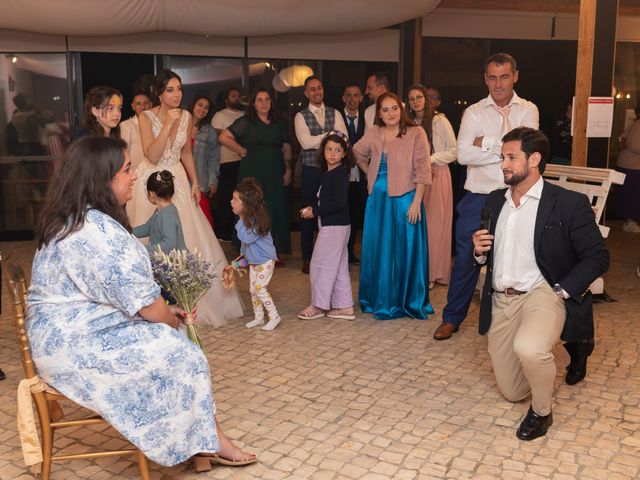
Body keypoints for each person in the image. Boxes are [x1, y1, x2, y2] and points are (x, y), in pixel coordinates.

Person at [27, 136, 256, 471]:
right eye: (126, 169)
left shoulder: (75, 218)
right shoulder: (98, 233)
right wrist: (172, 320)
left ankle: (201, 440)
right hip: (74, 347)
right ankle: (205, 443)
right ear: (100, 180)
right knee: (182, 351)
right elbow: (151, 310)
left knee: (171, 341)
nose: (133, 176)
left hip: (61, 337)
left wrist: (163, 315)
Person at [472, 127, 609, 440]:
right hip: (502, 299)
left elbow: (598, 257)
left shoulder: (567, 203)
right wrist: (478, 253)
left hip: (543, 292)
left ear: (534, 159)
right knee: (511, 391)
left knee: (529, 348)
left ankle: (542, 413)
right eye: (502, 157)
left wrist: (561, 291)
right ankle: (564, 350)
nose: (503, 164)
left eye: (510, 157)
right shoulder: (495, 202)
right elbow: (485, 256)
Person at [433, 53, 539, 341]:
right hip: (478, 199)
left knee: (517, 256)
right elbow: (463, 153)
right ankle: (452, 318)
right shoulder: (474, 112)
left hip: (514, 196)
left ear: (515, 76)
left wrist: (485, 144)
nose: (498, 83)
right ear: (485, 79)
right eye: (492, 77)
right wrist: (504, 150)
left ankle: (513, 320)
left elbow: (527, 153)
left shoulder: (528, 110)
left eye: (504, 76)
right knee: (467, 256)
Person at [131, 69, 243, 327]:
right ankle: (156, 303)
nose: (176, 94)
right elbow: (153, 155)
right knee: (156, 238)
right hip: (154, 179)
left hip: (178, 179)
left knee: (190, 237)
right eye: (170, 90)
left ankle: (191, 301)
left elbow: (187, 153)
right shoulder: (146, 117)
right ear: (158, 93)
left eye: (179, 89)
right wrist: (168, 124)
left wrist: (195, 182)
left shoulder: (187, 115)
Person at [353, 92, 434, 320]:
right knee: (379, 248)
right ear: (379, 113)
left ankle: (406, 300)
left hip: (405, 199)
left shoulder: (416, 133)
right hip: (378, 199)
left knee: (403, 249)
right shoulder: (375, 132)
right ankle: (379, 298)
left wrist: (417, 202)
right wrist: (370, 171)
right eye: (385, 110)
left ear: (402, 109)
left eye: (394, 108)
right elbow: (357, 152)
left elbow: (423, 170)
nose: (390, 113)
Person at [219, 88, 293, 256]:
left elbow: (287, 147)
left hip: (275, 170)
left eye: (267, 99)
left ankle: (275, 250)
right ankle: (248, 249)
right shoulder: (246, 121)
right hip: (251, 170)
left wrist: (288, 170)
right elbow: (223, 137)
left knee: (274, 206)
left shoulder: (279, 122)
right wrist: (242, 151)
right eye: (260, 99)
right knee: (251, 206)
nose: (264, 103)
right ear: (253, 103)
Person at [298, 131, 355, 320]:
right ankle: (344, 306)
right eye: (329, 149)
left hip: (334, 227)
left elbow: (339, 203)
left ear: (344, 154)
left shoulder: (338, 174)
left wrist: (315, 212)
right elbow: (326, 201)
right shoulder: (330, 173)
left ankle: (318, 305)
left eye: (337, 150)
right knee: (337, 266)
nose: (332, 153)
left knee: (319, 265)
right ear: (323, 151)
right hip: (336, 226)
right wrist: (313, 208)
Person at [294, 76, 348, 273]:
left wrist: (328, 139)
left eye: (319, 88)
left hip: (333, 172)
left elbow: (345, 139)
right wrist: (330, 136)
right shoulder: (300, 116)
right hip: (311, 170)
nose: (316, 92)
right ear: (306, 93)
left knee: (331, 210)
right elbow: (306, 143)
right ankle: (307, 257)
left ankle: (330, 254)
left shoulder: (335, 112)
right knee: (308, 213)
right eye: (312, 89)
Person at [407, 84, 456, 288]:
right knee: (417, 225)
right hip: (415, 178)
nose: (416, 101)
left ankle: (432, 273)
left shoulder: (439, 121)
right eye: (412, 99)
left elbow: (454, 151)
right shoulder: (408, 123)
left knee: (434, 227)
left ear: (427, 100)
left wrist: (430, 159)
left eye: (419, 97)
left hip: (438, 176)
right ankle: (417, 271)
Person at [231, 178, 281, 331]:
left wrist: (239, 220)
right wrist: (239, 262)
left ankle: (274, 316)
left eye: (235, 199)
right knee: (253, 290)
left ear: (245, 205)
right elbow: (246, 247)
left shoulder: (256, 222)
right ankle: (259, 317)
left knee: (259, 288)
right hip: (254, 263)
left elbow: (246, 238)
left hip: (265, 261)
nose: (231, 202)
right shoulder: (246, 221)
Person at [340, 83, 368, 264]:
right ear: (343, 98)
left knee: (357, 215)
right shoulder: (336, 118)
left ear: (361, 98)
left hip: (361, 175)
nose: (352, 99)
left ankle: (349, 252)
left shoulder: (367, 119)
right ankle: (339, 252)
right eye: (348, 95)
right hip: (342, 175)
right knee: (342, 214)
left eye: (356, 95)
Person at [212, 87, 245, 241]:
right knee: (226, 198)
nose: (236, 98)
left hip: (242, 161)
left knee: (241, 198)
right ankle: (222, 232)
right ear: (226, 99)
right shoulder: (220, 115)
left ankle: (236, 233)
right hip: (226, 161)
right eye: (233, 96)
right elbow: (219, 137)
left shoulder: (245, 115)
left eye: (238, 96)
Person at [132, 170, 186, 254]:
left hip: (172, 262)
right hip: (162, 259)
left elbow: (169, 244)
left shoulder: (167, 215)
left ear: (151, 194)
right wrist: (127, 231)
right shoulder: (161, 210)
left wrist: (144, 249)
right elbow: (147, 228)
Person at [190, 95, 220, 228]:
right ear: (193, 105)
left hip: (199, 178)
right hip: (179, 176)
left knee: (203, 218)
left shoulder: (209, 131)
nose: (202, 109)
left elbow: (214, 159)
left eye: (206, 107)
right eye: (200, 105)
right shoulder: (180, 124)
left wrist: (213, 181)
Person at [615, 104, 640, 233]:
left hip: (633, 166)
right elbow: (634, 145)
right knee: (632, 196)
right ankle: (630, 222)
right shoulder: (638, 125)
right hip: (632, 166)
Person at [120, 91, 152, 171]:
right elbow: (124, 152)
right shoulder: (126, 125)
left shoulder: (157, 124)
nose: (143, 107)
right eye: (138, 104)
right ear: (133, 106)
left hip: (154, 171)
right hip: (135, 173)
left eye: (146, 103)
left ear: (151, 104)